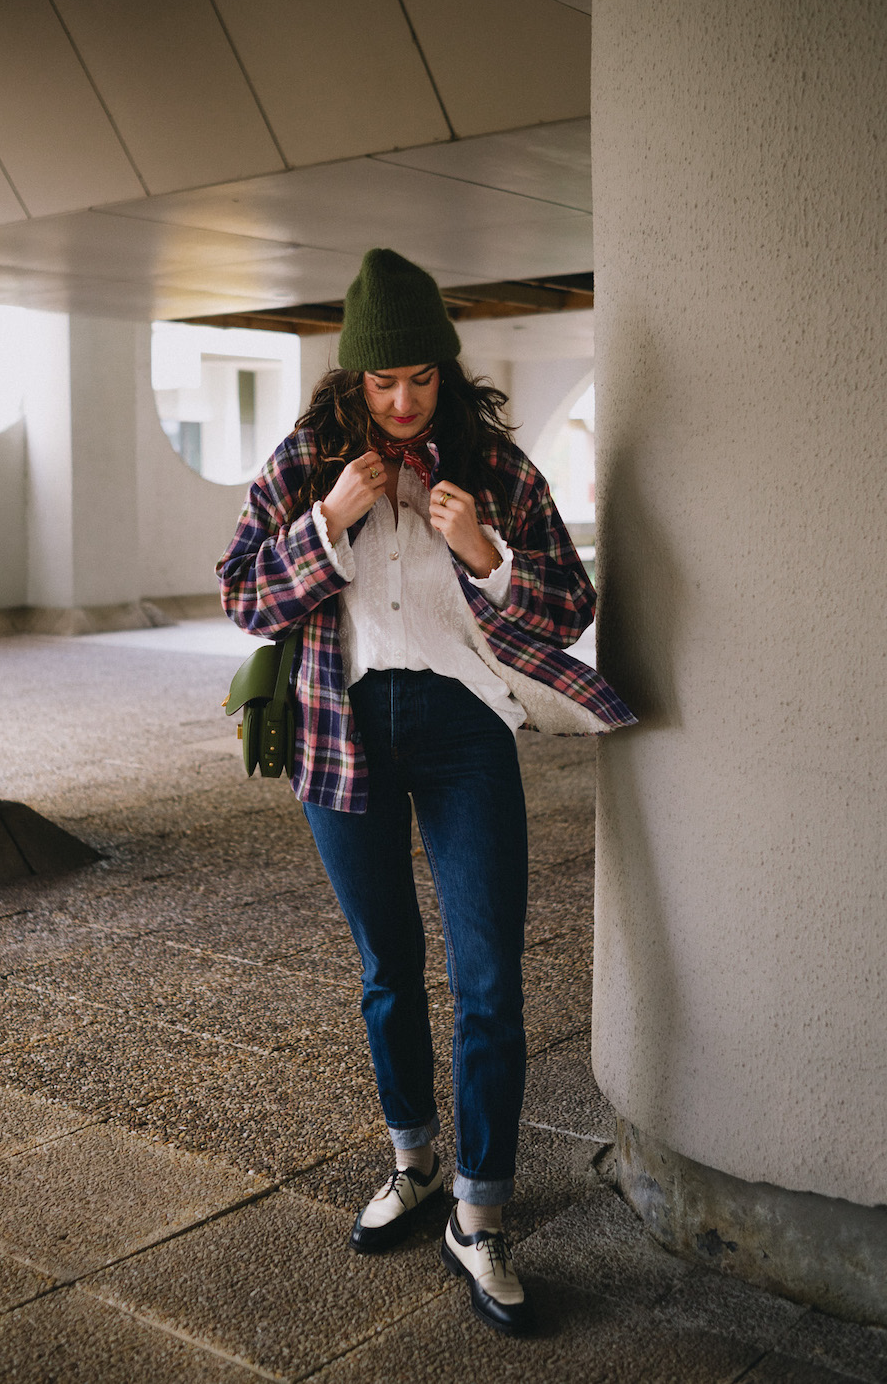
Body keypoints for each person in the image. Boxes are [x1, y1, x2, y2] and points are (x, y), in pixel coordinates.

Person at [217, 248, 634, 1335]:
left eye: (420, 380)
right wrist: (328, 524)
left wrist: (483, 550)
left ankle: (480, 1214)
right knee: (386, 966)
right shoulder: (307, 462)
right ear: (351, 381)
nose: (402, 404)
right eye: (381, 383)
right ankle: (412, 1159)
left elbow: (566, 606)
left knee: (491, 978)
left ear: (446, 373)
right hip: (341, 726)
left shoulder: (495, 469)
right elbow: (243, 596)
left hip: (462, 732)